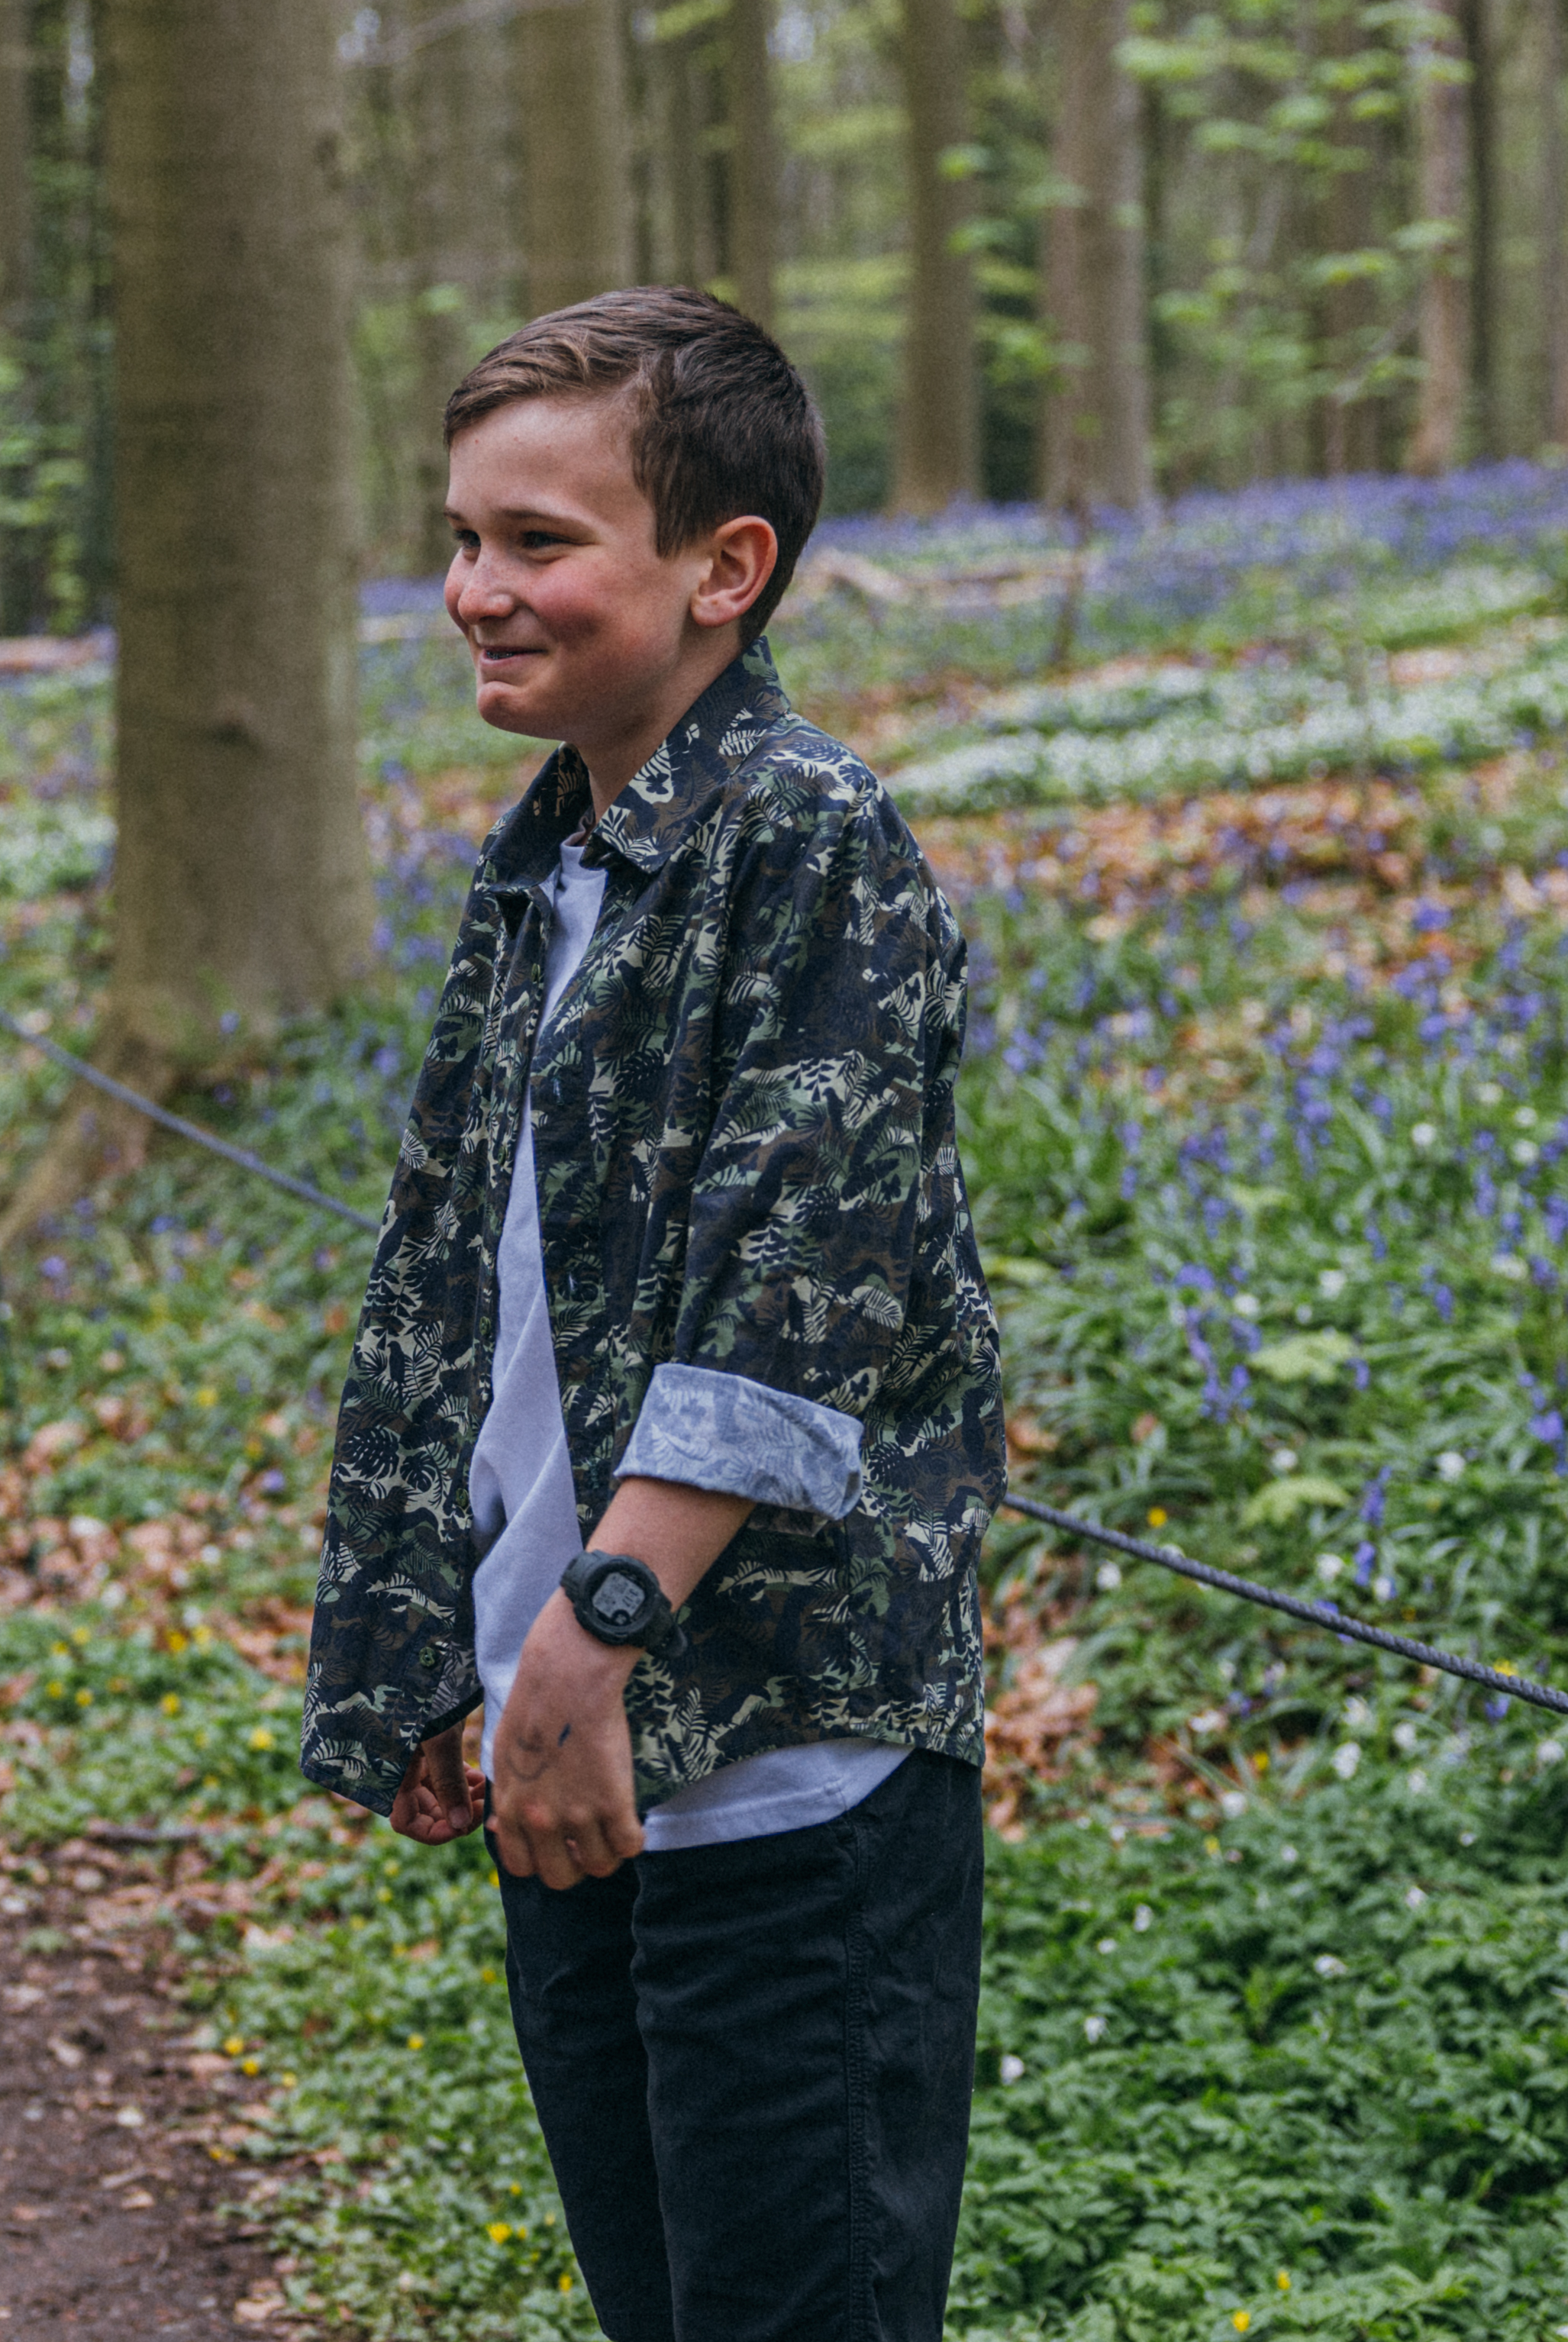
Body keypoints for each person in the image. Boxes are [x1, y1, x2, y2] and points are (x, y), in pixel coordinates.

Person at [302, 288, 1004, 2342]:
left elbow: (800, 1303)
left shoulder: (815, 847)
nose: (473, 592)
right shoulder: (550, 865)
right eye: (461, 540)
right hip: (578, 1751)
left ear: (725, 572)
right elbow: (467, 1311)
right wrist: (438, 1640)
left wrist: (591, 1644)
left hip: (773, 1764)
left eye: (538, 543)